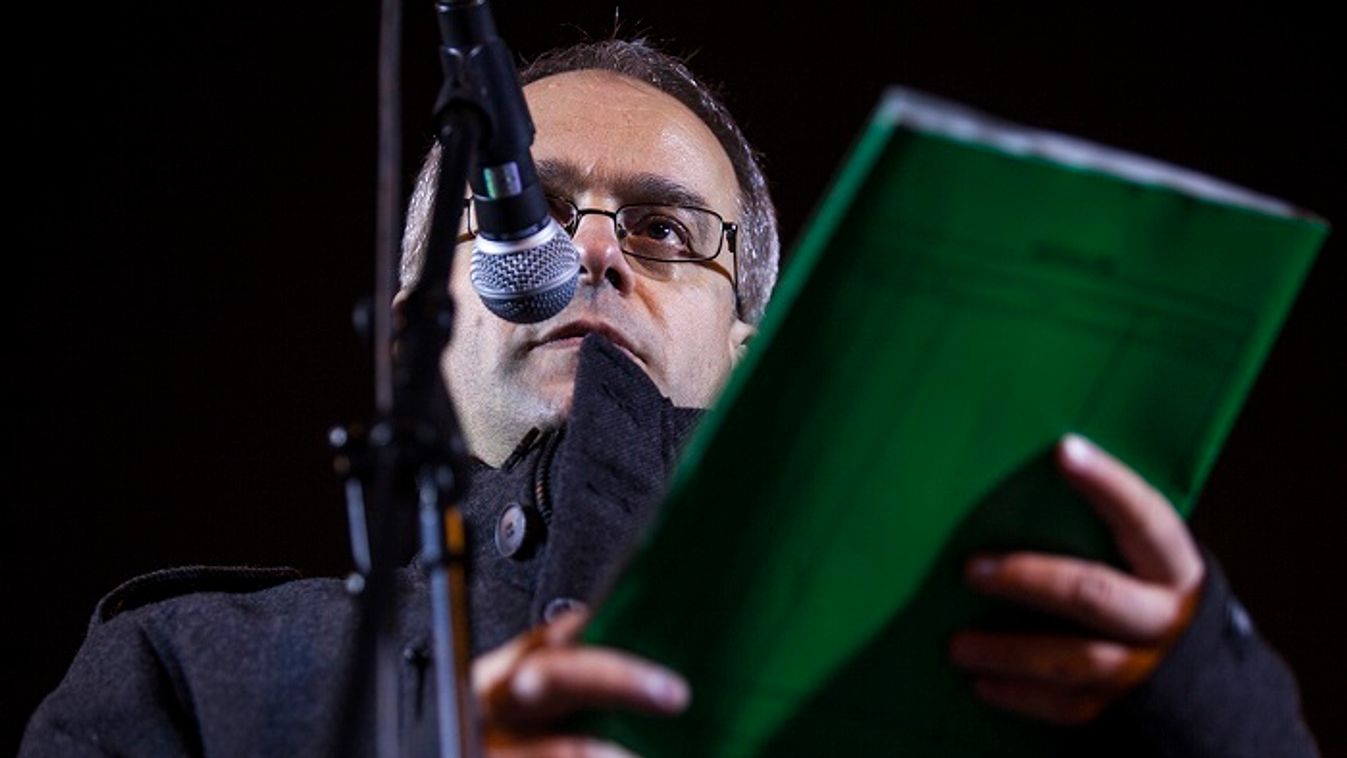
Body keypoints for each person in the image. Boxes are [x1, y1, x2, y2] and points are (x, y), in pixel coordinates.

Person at [22, 39, 1318, 757]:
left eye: (662, 229)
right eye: (521, 212)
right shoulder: (185, 670)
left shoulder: (975, 664)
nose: (590, 251)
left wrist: (1202, 693)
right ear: (413, 321)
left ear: (750, 346)